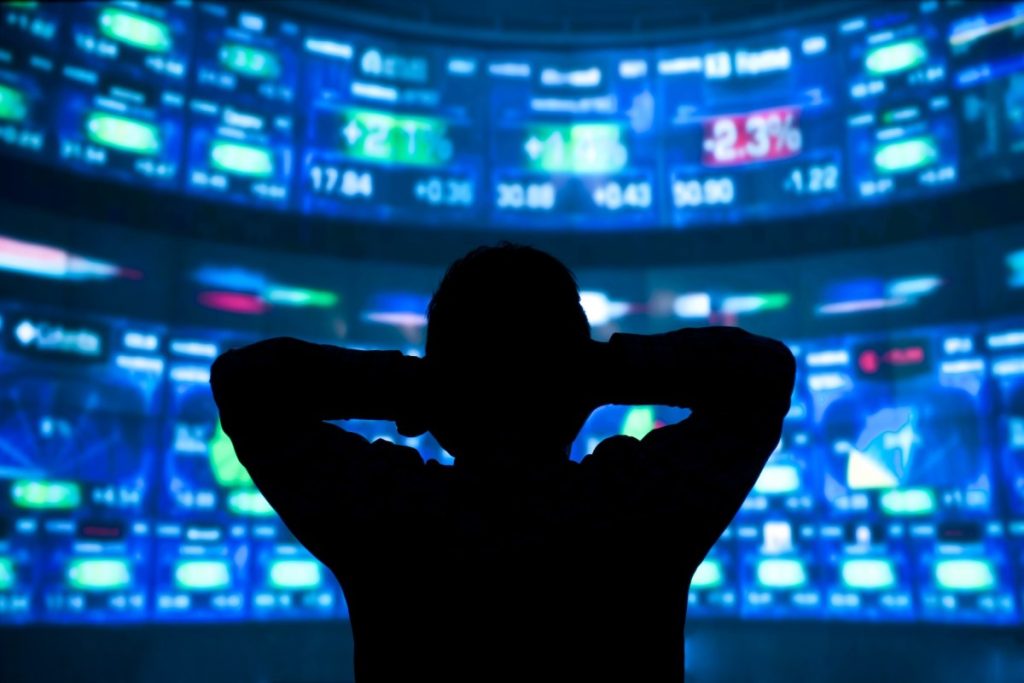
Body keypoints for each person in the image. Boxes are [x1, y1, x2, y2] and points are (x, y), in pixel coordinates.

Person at [210, 244, 796, 682]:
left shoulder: (391, 515)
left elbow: (248, 384)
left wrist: (423, 383)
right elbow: (762, 373)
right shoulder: (636, 509)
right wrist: (594, 369)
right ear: (575, 381)